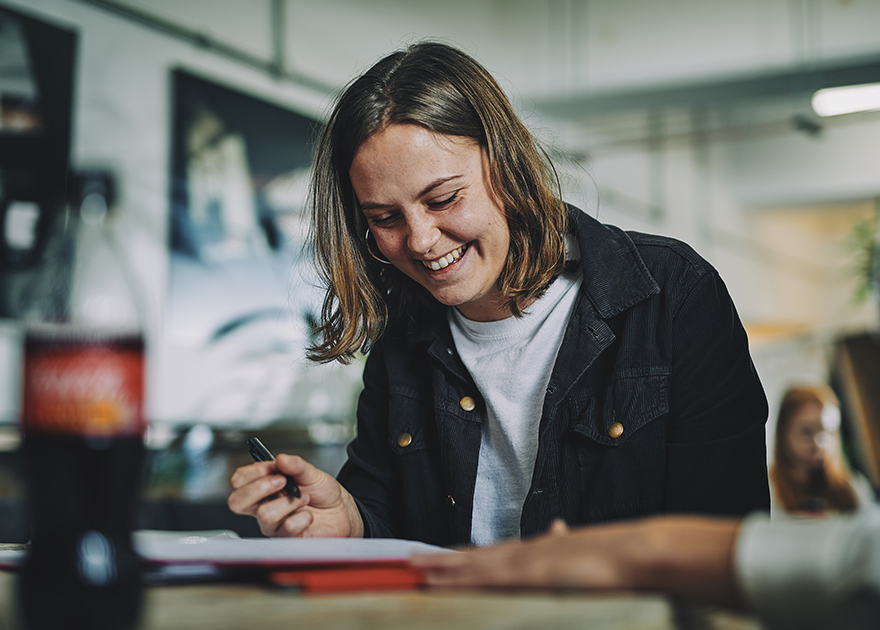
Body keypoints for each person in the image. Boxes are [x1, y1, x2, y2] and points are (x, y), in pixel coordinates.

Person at [227, 41, 770, 547]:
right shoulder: (403, 338)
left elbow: (725, 543)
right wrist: (350, 520)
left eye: (443, 198)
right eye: (385, 218)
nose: (419, 241)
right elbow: (390, 518)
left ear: (506, 165)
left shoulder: (671, 296)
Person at [410, 506, 880, 630]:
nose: (421, 251)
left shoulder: (680, 290)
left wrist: (642, 549)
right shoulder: (401, 337)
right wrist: (360, 519)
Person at [770, 385, 871, 516]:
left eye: (827, 431)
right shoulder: (768, 490)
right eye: (806, 432)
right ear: (783, 433)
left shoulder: (853, 487)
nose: (818, 443)